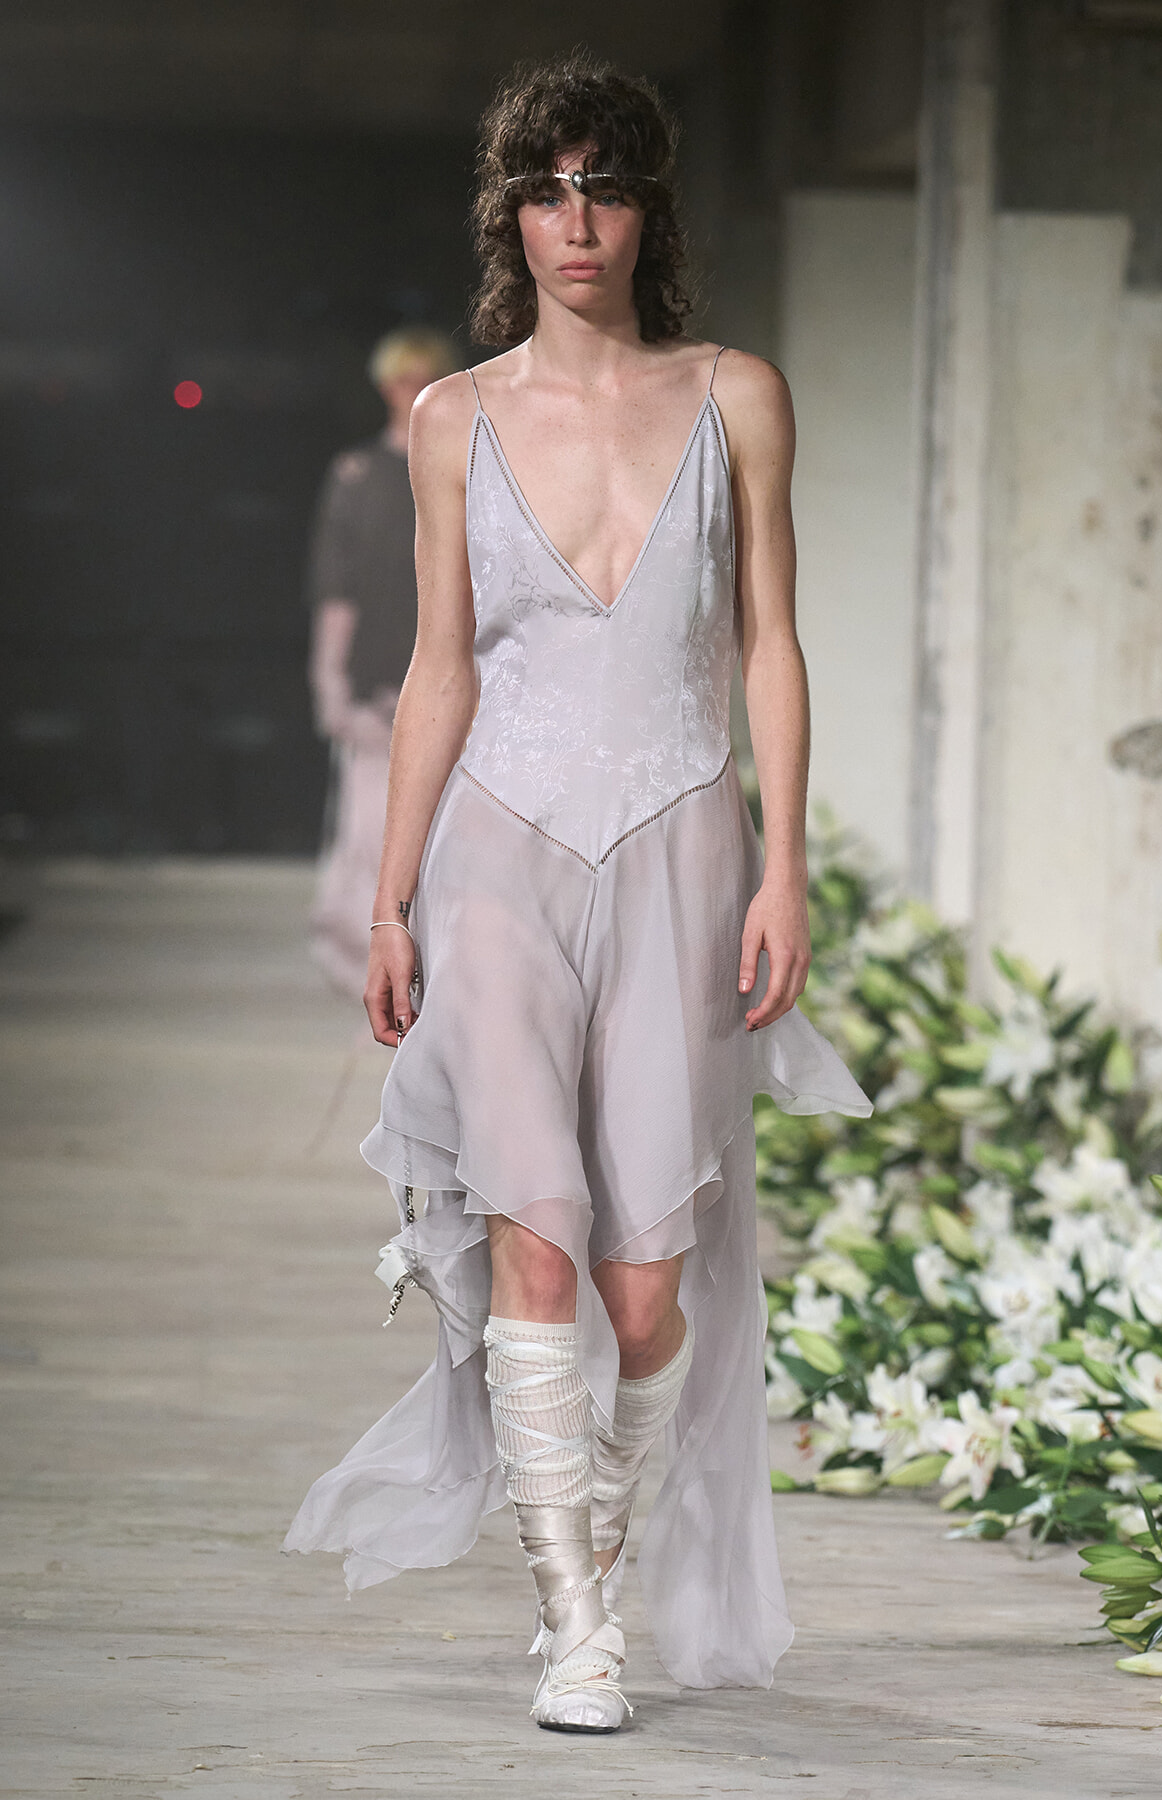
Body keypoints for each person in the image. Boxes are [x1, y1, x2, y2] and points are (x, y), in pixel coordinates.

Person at [286, 57, 869, 1732]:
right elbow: (439, 671)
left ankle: (594, 1551)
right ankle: (579, 1621)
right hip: (496, 862)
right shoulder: (453, 419)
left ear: (647, 209)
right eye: (545, 191)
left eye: (603, 187)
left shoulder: (734, 392)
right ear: (509, 219)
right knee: (536, 1235)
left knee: (643, 1274)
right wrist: (391, 902)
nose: (576, 221)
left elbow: (769, 639)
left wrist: (785, 860)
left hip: (684, 847)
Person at [307, 328, 460, 996]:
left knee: (448, 830)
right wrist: (328, 679)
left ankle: (439, 962)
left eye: (422, 377)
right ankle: (363, 962)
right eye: (400, 378)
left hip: (454, 675)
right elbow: (334, 587)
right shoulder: (358, 475)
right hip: (377, 680)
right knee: (369, 829)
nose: (409, 390)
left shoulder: (469, 469)